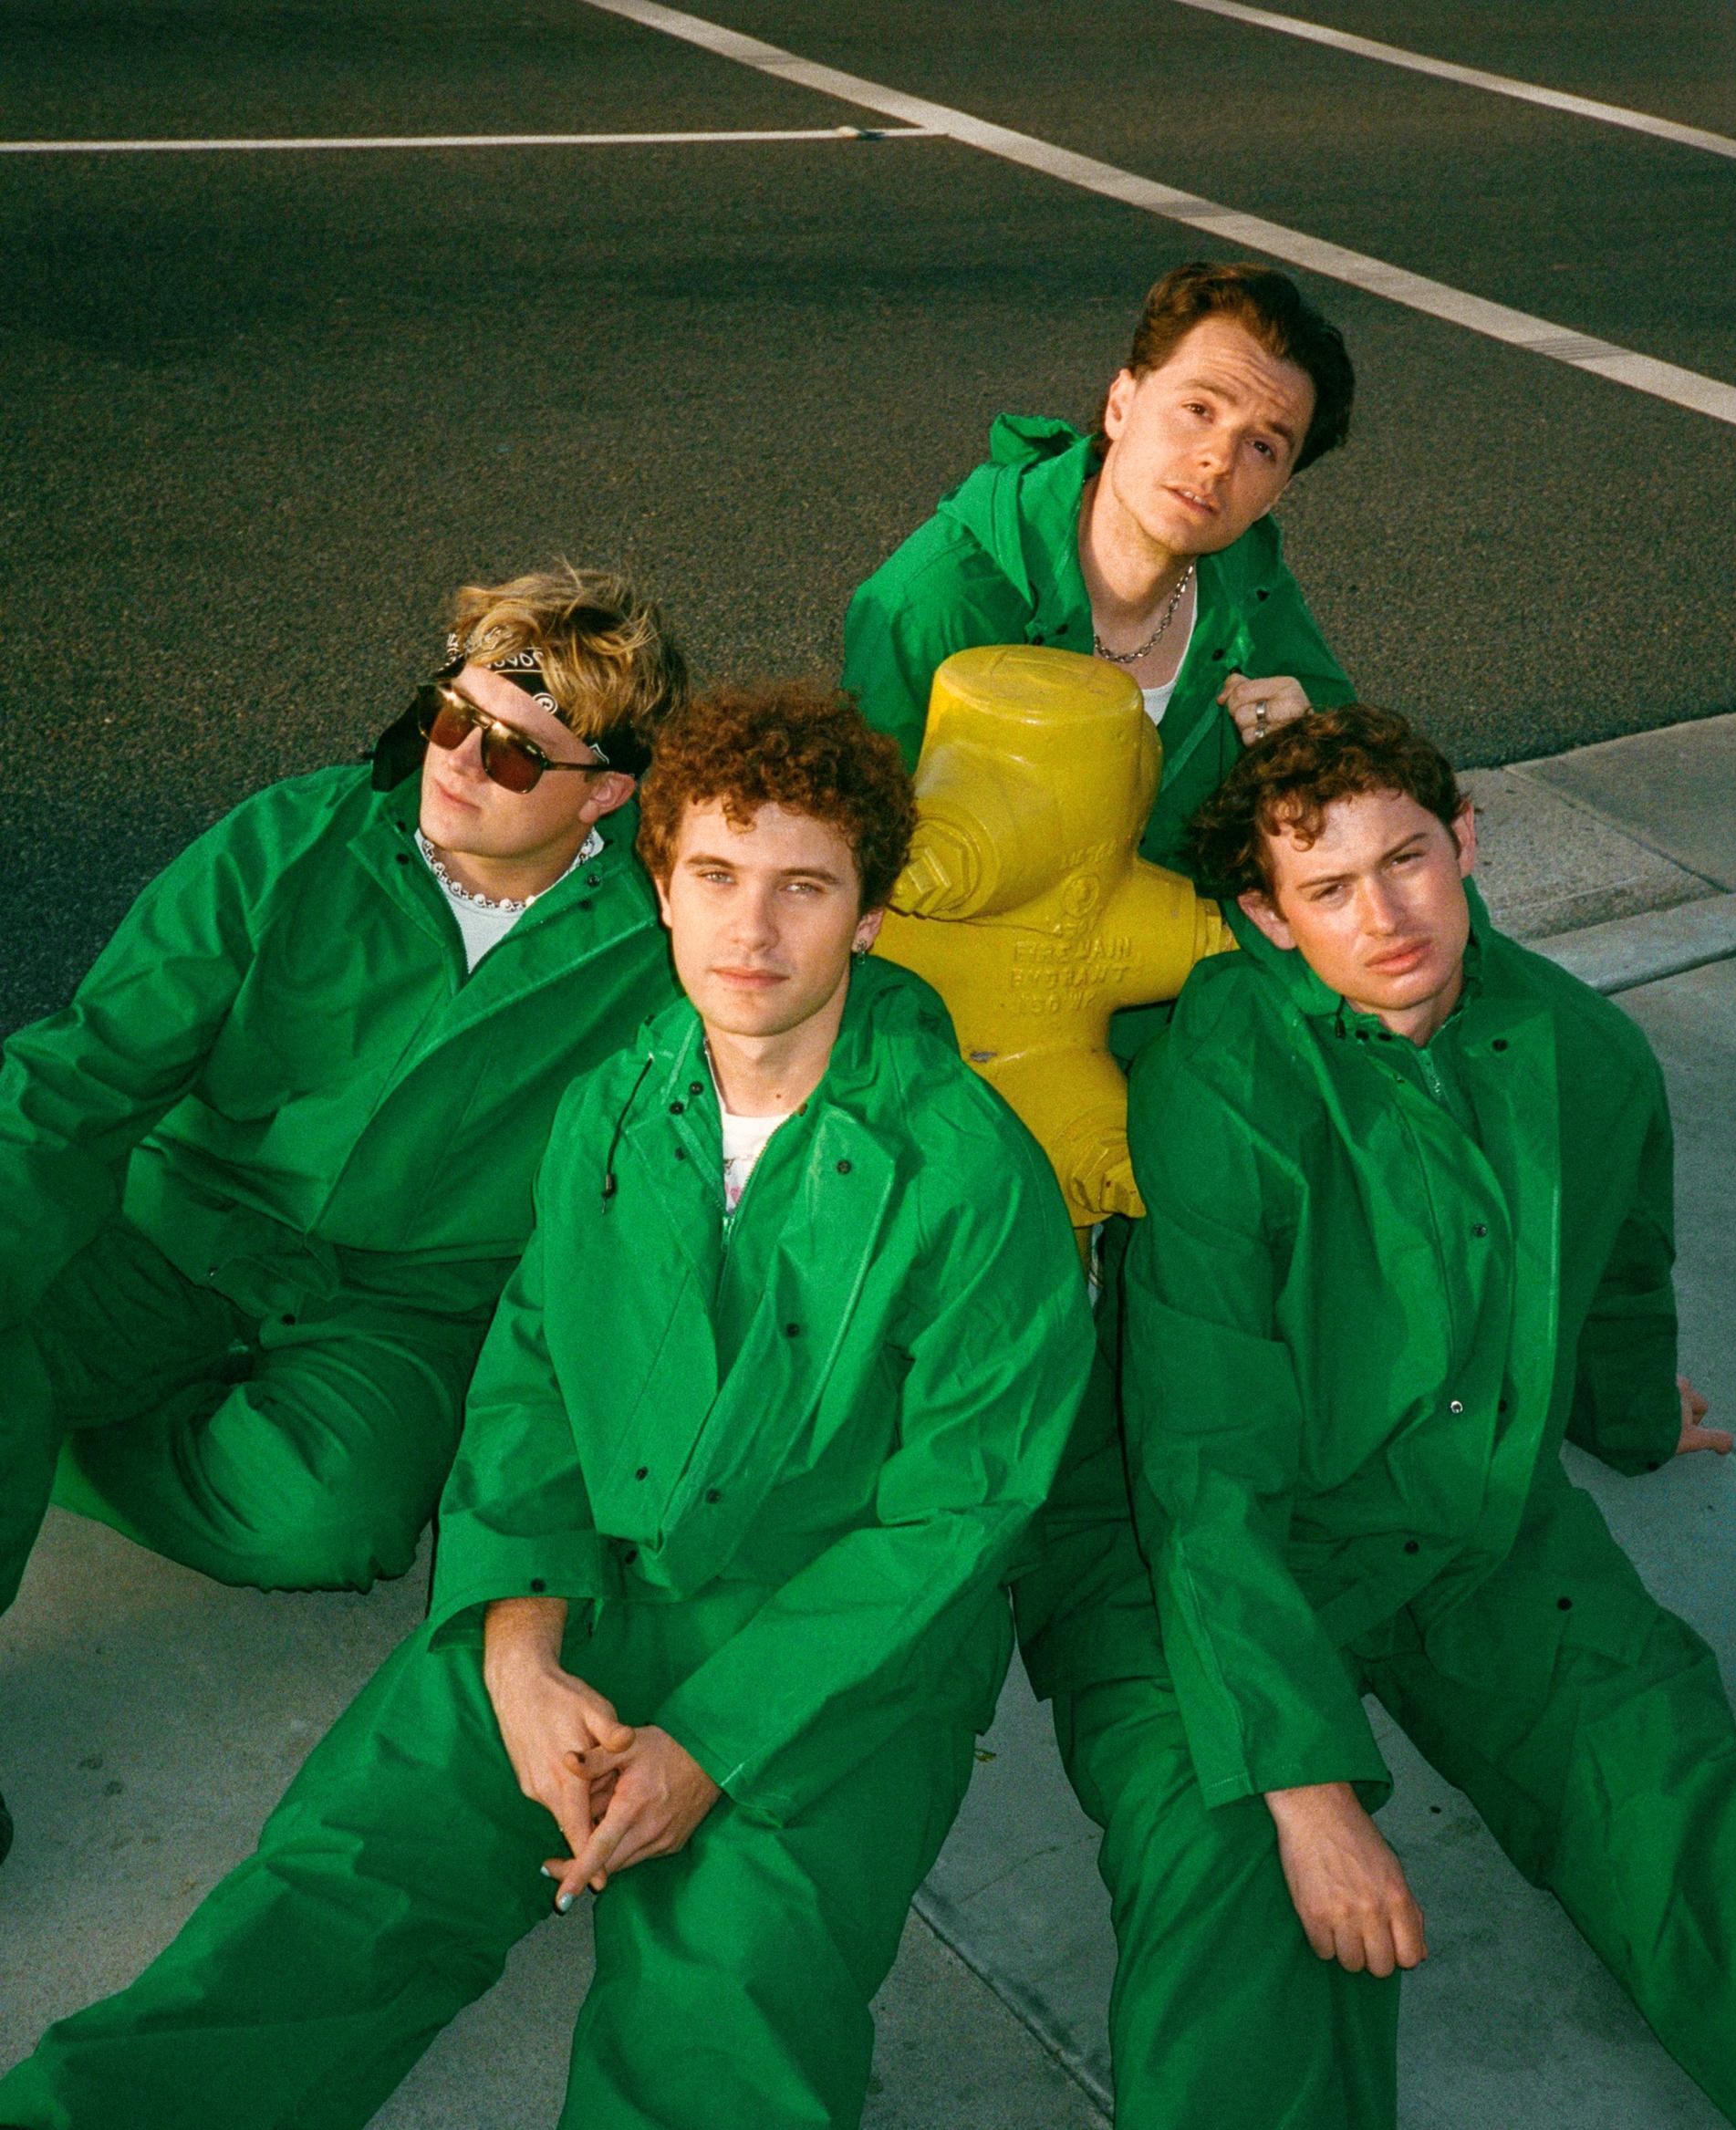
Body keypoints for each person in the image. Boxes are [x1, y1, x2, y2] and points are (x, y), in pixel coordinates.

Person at [0, 682, 1094, 2130]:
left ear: (872, 918)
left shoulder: (974, 1176)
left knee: (722, 2024)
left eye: (804, 888)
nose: (752, 931)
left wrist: (711, 1741)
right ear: (662, 885)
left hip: (829, 1659)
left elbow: (960, 1513)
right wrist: (518, 1646)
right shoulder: (615, 1103)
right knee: (317, 1907)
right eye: (716, 875)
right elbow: (532, 1378)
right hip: (582, 1585)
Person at [1028, 703, 1736, 2128]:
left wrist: (1628, 1415)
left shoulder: (1587, 1050)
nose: (1386, 915)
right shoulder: (1220, 1076)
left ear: (1465, 839)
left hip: (1476, 1519)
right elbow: (1204, 1460)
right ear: (1269, 916)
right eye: (1330, 887)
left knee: (1671, 1795)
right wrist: (1305, 1785)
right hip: (1204, 1549)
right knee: (1236, 1880)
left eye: (1407, 859)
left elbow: (1621, 1266)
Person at [0, 563, 685, 1660]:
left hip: (401, 1304)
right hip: (170, 1228)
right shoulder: (295, 835)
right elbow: (86, 1069)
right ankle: (47, 1400)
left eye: (513, 753)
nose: (458, 761)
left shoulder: (666, 936)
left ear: (603, 793)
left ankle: (52, 1427)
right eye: (450, 716)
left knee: (329, 1525)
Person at [842, 259, 1357, 888]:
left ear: (1276, 493)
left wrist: (1312, 755)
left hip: (1183, 944)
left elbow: (1378, 808)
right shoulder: (938, 598)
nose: (1218, 460)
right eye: (1199, 408)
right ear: (1121, 404)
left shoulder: (1252, 590)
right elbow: (848, 862)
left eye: (1262, 447)